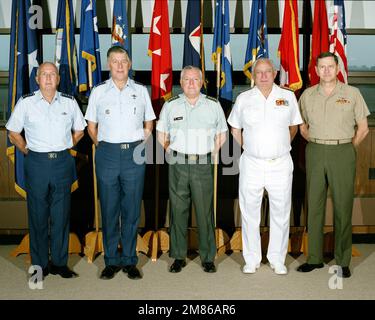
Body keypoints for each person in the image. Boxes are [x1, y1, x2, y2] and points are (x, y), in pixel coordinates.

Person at [6, 62, 86, 279]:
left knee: (61, 215)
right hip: (37, 162)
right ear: (37, 79)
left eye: (52, 74)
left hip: (62, 162)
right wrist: (26, 149)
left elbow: (80, 129)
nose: (49, 78)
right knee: (38, 215)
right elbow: (13, 131)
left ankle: (60, 263)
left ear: (58, 79)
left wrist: (67, 144)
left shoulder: (69, 103)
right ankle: (39, 266)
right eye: (44, 74)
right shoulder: (26, 103)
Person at [297, 52, 370, 278]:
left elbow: (363, 127)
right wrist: (320, 142)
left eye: (330, 66)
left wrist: (347, 147)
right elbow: (302, 128)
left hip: (343, 151)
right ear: (316, 70)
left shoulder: (352, 93)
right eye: (322, 67)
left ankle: (343, 260)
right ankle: (314, 258)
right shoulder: (308, 95)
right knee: (315, 206)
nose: (326, 71)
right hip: (316, 151)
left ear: (337, 68)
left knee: (342, 206)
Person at [85, 46, 155, 280]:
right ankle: (111, 261)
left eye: (123, 61)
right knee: (109, 207)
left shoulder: (141, 90)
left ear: (129, 63)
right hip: (107, 154)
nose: (119, 65)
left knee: (132, 209)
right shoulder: (98, 92)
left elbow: (149, 123)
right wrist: (104, 146)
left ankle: (129, 260)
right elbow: (91, 127)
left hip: (134, 154)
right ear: (108, 65)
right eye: (115, 61)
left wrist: (138, 144)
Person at [228, 58, 303, 275]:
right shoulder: (244, 98)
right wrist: (252, 149)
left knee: (280, 212)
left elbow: (294, 128)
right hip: (251, 163)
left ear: (275, 73)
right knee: (250, 212)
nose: (263, 76)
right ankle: (251, 259)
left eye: (267, 71)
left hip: (280, 163)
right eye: (258, 72)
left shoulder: (287, 96)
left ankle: (277, 259)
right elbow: (235, 129)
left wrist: (278, 147)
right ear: (253, 75)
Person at [157, 66, 228, 273]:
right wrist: (169, 149)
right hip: (178, 163)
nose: (191, 83)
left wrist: (210, 153)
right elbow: (161, 132)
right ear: (181, 82)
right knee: (178, 211)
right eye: (187, 79)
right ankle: (178, 256)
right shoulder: (171, 105)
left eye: (195, 79)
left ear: (202, 81)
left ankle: (207, 257)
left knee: (205, 211)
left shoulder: (213, 105)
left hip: (203, 164)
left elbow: (222, 134)